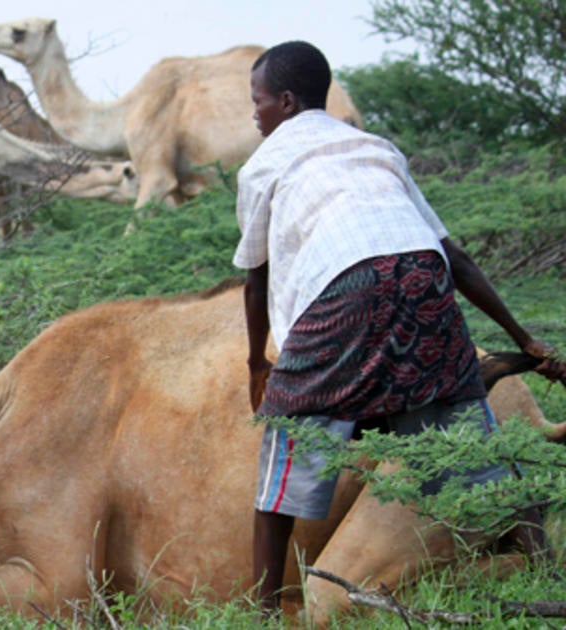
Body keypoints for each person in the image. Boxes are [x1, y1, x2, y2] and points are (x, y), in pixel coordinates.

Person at [233, 40, 565, 617]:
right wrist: (522, 339)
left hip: (341, 295)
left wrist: (260, 365)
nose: (253, 114)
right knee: (473, 439)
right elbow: (451, 256)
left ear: (284, 103)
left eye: (257, 102)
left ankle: (259, 613)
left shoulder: (263, 163)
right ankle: (546, 567)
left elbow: (255, 282)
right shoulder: (374, 146)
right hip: (423, 284)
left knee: (283, 463)